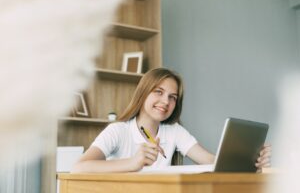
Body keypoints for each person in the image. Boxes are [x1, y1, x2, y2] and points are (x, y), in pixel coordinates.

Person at [71, 68, 271, 173]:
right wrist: (133, 163)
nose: (165, 101)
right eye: (158, 92)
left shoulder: (173, 131)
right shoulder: (118, 130)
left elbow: (212, 162)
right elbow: (79, 167)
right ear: (143, 94)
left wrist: (249, 162)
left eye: (172, 97)